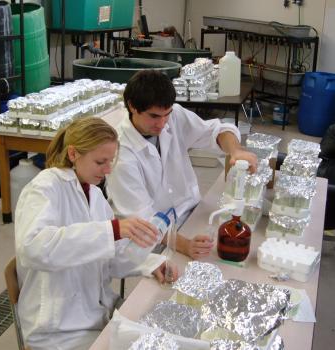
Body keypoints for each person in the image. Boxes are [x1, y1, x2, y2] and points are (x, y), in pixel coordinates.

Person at [15, 117, 174, 350]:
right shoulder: (45, 187)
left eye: (111, 161)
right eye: (101, 161)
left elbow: (109, 256)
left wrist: (150, 263)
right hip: (57, 327)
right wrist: (112, 230)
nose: (108, 170)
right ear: (73, 154)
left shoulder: (96, 196)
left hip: (93, 311)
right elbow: (33, 248)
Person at [107, 70, 258, 260]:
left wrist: (236, 151)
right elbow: (143, 221)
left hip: (191, 212)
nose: (162, 124)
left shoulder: (175, 115)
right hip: (154, 240)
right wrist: (185, 245)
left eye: (166, 115)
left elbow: (217, 130)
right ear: (132, 106)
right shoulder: (120, 154)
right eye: (154, 116)